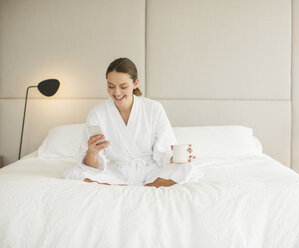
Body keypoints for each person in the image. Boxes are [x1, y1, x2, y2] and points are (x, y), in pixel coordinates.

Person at [63, 58, 198, 187]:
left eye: (123, 86)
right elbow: (92, 165)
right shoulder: (97, 113)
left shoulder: (154, 108)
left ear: (135, 83)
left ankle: (142, 187)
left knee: (187, 169)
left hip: (151, 172)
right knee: (75, 172)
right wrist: (91, 153)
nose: (116, 92)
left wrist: (175, 158)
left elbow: (164, 151)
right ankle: (127, 186)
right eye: (111, 86)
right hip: (116, 173)